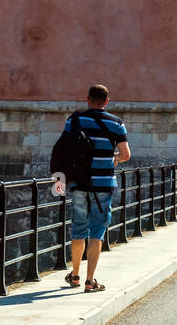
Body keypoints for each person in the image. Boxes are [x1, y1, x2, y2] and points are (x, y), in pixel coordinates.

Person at [55, 84, 130, 292]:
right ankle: (90, 281)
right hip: (104, 185)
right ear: (107, 101)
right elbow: (125, 155)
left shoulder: (75, 120)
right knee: (97, 231)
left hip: (79, 183)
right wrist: (114, 158)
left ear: (88, 99)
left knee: (79, 227)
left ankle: (75, 275)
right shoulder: (117, 123)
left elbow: (64, 147)